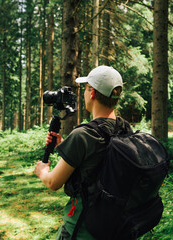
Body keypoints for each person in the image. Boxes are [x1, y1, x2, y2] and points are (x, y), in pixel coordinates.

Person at [34, 65, 131, 239]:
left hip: (84, 228)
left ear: (92, 93)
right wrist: (64, 145)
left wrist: (42, 171)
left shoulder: (83, 135)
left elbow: (53, 183)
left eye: (86, 90)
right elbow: (101, 158)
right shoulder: (124, 127)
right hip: (117, 225)